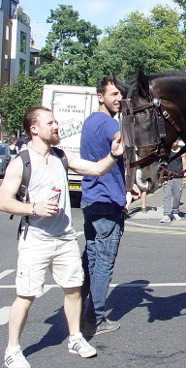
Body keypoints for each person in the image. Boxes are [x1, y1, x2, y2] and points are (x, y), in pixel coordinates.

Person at [0, 106, 124, 367]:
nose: (56, 126)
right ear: (34, 129)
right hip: (36, 239)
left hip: (65, 238)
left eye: (55, 121)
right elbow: (4, 201)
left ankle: (75, 338)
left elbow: (96, 169)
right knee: (26, 295)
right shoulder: (21, 162)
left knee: (73, 289)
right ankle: (12, 350)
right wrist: (34, 209)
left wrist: (113, 155)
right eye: (50, 123)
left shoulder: (61, 156)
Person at [80, 77, 126, 338]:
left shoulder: (89, 122)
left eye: (120, 94)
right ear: (100, 96)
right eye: (113, 94)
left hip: (90, 199)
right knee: (103, 264)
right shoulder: (110, 124)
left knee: (91, 260)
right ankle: (95, 319)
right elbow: (123, 142)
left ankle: (82, 312)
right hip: (108, 201)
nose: (118, 99)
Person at [160, 138, 186, 223]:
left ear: (178, 141)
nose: (173, 143)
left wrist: (185, 177)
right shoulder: (167, 151)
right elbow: (162, 164)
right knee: (166, 196)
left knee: (177, 197)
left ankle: (175, 211)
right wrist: (162, 178)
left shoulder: (182, 152)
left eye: (175, 141)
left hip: (178, 177)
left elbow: (184, 165)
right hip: (167, 177)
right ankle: (167, 214)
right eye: (172, 141)